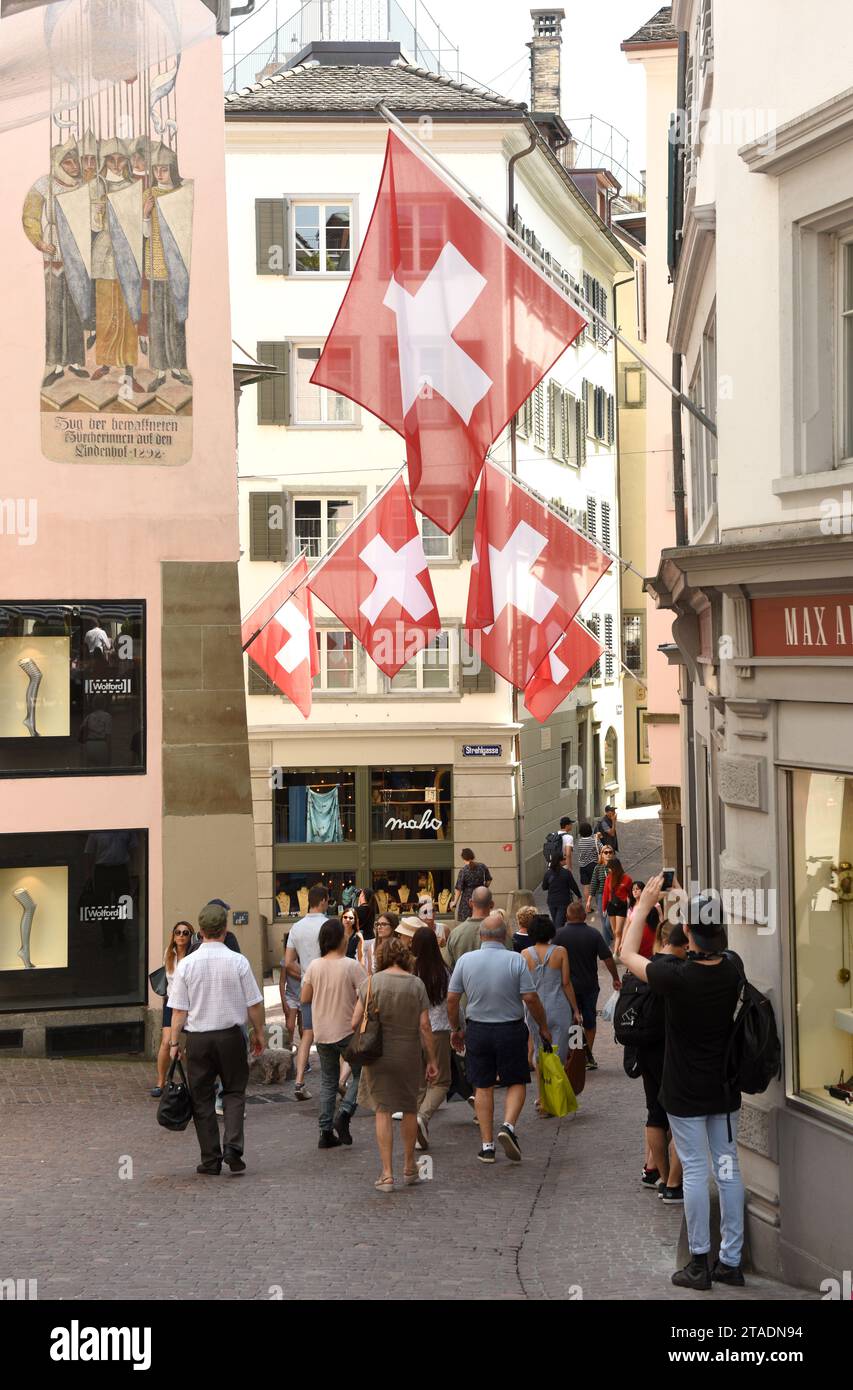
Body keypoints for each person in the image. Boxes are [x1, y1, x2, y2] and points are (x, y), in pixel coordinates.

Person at [622, 876, 748, 1290]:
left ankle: (698, 1262)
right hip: (723, 1088)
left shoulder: (674, 975)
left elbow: (626, 953)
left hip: (684, 1091)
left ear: (688, 932)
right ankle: (730, 1261)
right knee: (727, 1169)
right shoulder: (733, 967)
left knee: (695, 1171)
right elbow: (713, 946)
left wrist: (644, 906)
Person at [166, 903, 265, 1176]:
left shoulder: (187, 965)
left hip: (198, 1039)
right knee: (234, 1091)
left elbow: (179, 1011)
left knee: (201, 1098)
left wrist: (174, 1043)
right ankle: (233, 1147)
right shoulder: (238, 961)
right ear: (224, 930)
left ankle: (210, 1158)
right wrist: (259, 1032)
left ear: (199, 932)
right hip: (231, 1036)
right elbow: (254, 1004)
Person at [447, 914, 551, 1163]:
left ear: (480, 935)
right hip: (510, 1028)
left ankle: (487, 1145)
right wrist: (543, 1026)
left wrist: (456, 1028)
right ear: (504, 936)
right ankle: (508, 1126)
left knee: (483, 1085)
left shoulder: (465, 961)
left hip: (478, 1029)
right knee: (516, 1081)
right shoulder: (515, 959)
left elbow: (452, 999)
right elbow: (531, 998)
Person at [352, 936, 438, 1192]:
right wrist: (431, 1059)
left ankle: (387, 1174)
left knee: (383, 1110)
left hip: (377, 1054)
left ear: (381, 957)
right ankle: (410, 1167)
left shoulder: (370, 983)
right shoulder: (416, 984)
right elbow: (425, 1026)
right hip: (408, 1054)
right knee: (409, 1109)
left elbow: (354, 1022)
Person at [632, 918, 687, 1202]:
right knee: (680, 1117)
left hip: (646, 1048)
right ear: (685, 943)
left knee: (655, 1113)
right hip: (673, 1051)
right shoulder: (681, 971)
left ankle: (662, 1177)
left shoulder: (646, 967)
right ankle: (675, 1183)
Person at [301, 918, 367, 1149]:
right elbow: (368, 995)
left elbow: (305, 998)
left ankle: (325, 1130)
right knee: (362, 1074)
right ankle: (345, 1113)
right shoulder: (351, 965)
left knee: (328, 1082)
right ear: (341, 939)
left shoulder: (314, 966)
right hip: (347, 1030)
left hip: (322, 1032)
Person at [555, 900, 621, 1071]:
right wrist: (615, 977)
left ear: (567, 916)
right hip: (589, 985)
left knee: (572, 1020)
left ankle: (574, 1054)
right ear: (584, 916)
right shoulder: (593, 934)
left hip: (566, 986)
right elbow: (607, 958)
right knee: (589, 1022)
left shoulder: (559, 935)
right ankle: (586, 1055)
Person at [521, 915, 581, 1079]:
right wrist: (576, 1009)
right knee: (558, 1053)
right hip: (558, 1006)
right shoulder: (560, 952)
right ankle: (556, 1091)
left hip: (534, 1009)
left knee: (539, 1052)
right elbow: (566, 983)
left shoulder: (524, 954)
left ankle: (542, 1096)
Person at [284, 883, 329, 1101]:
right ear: (323, 901)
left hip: (306, 987)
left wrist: (304, 972)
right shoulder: (329, 925)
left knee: (307, 1034)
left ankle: (299, 1080)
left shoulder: (296, 928)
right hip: (328, 986)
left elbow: (288, 961)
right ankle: (336, 1082)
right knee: (334, 1033)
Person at [411, 926, 452, 1150]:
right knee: (441, 1081)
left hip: (414, 1032)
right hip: (438, 1030)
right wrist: (459, 1027)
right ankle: (422, 1117)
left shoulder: (411, 971)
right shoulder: (443, 972)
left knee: (418, 1084)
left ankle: (417, 1132)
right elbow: (451, 1002)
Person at [151, 920, 192, 1097]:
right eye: (178, 932)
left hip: (191, 1004)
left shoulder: (193, 954)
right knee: (166, 1041)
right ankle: (161, 1082)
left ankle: (194, 1081)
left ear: (191, 936)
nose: (181, 936)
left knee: (194, 1044)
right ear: (173, 936)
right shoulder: (169, 953)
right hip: (172, 1002)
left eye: (185, 933)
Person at [446, 885, 496, 966]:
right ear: (492, 904)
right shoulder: (501, 933)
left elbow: (448, 968)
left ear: (470, 903)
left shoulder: (455, 934)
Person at [541, 852, 582, 930]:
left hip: (551, 901)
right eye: (564, 859)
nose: (565, 860)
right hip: (563, 901)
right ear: (560, 861)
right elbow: (573, 886)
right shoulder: (566, 873)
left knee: (556, 921)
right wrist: (579, 896)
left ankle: (557, 938)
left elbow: (544, 887)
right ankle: (558, 939)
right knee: (559, 924)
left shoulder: (548, 873)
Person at [450, 847, 492, 923]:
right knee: (482, 920)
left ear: (463, 858)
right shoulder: (482, 866)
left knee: (467, 922)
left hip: (467, 899)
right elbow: (489, 880)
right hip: (480, 896)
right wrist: (484, 888)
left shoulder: (463, 870)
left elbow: (459, 888)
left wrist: (455, 902)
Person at [602, 855, 633, 959]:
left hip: (621, 906)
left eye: (610, 867)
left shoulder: (627, 879)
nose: (609, 869)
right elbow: (606, 893)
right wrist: (604, 907)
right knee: (614, 930)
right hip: (611, 906)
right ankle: (618, 948)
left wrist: (632, 905)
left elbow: (630, 893)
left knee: (618, 931)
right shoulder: (609, 878)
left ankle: (615, 953)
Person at [628, 881, 660, 959]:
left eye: (637, 889)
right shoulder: (631, 907)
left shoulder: (655, 905)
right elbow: (627, 924)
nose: (634, 891)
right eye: (633, 889)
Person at [574, 821, 600, 912]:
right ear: (590, 830)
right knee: (596, 885)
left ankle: (588, 907)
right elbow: (601, 847)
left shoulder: (579, 841)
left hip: (583, 866)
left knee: (586, 886)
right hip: (593, 864)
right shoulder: (593, 840)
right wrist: (597, 838)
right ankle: (599, 903)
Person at [590, 846, 612, 942]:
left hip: (613, 897)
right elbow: (594, 883)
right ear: (601, 854)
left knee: (608, 923)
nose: (608, 854)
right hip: (601, 896)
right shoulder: (598, 868)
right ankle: (606, 945)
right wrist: (589, 900)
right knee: (604, 922)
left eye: (610, 852)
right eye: (605, 852)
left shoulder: (615, 866)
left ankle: (616, 937)